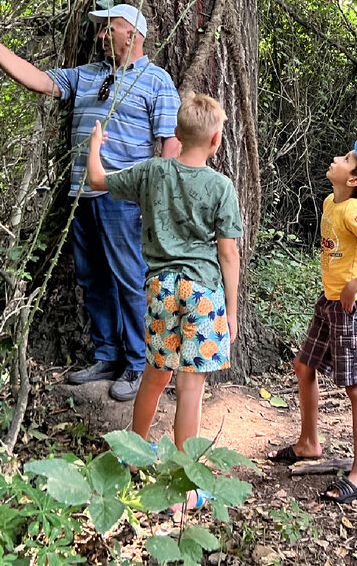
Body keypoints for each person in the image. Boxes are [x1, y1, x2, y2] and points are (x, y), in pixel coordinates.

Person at [0, 3, 180, 401]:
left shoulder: (157, 81)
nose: (100, 36)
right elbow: (40, 81)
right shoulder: (88, 76)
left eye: (108, 28)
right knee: (93, 278)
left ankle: (137, 362)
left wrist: (156, 199)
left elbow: (171, 143)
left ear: (132, 33)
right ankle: (107, 354)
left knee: (130, 279)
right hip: (82, 195)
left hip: (125, 200)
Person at [87, 94, 241, 511]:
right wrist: (232, 311)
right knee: (190, 390)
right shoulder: (221, 186)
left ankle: (129, 457)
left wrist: (94, 146)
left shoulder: (152, 172)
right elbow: (228, 254)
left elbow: (98, 181)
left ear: (176, 134)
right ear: (216, 140)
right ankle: (184, 487)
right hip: (203, 294)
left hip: (160, 289)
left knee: (155, 375)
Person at [268, 138, 357, 504]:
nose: (336, 159)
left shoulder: (354, 212)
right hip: (328, 302)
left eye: (346, 159)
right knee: (303, 365)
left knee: (355, 385)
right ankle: (309, 442)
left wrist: (356, 284)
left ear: (355, 180)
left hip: (351, 307)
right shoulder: (330, 201)